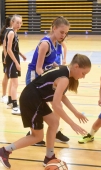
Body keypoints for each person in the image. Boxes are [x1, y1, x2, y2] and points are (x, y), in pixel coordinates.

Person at [0, 54, 91, 169]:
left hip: (35, 98)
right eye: (83, 73)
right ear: (76, 66)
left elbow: (62, 97)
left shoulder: (64, 70)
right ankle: (5, 151)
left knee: (54, 122)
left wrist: (76, 113)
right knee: (37, 137)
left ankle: (49, 157)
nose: (83, 77)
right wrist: (72, 124)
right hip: (31, 100)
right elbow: (56, 106)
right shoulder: (64, 78)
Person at [25, 16, 71, 145]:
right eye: (62, 32)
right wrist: (50, 81)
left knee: (57, 104)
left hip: (44, 75)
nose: (63, 35)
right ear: (54, 28)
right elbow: (39, 68)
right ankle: (33, 133)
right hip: (35, 76)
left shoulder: (57, 43)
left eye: (66, 33)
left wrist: (61, 68)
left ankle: (54, 131)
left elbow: (51, 63)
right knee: (39, 106)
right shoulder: (45, 44)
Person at [3, 15, 26, 115]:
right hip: (12, 60)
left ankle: (10, 102)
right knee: (15, 83)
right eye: (17, 22)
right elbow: (8, 49)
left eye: (20, 23)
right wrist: (16, 63)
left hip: (14, 58)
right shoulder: (11, 32)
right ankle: (15, 108)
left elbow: (13, 48)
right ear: (12, 22)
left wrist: (21, 55)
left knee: (12, 82)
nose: (19, 25)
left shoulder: (13, 32)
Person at [0, 16, 12, 104]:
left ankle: (10, 95)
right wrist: (6, 57)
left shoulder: (10, 31)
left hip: (10, 55)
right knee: (6, 75)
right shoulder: (7, 32)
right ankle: (3, 95)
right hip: (7, 55)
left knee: (11, 76)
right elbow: (5, 46)